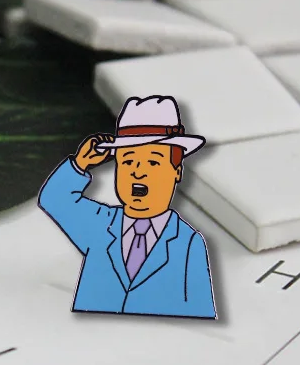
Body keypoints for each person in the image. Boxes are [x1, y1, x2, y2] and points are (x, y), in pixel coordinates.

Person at [38, 95, 216, 318]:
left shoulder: (189, 243)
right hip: (90, 334)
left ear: (177, 171)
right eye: (128, 161)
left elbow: (199, 312)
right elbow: (54, 199)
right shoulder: (99, 224)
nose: (138, 172)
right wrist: (80, 163)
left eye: (153, 162)